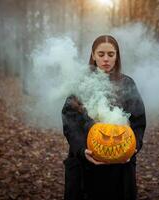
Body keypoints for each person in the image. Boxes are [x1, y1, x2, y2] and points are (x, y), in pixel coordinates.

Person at [62, 35, 146, 200]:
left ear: (117, 56)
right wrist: (81, 150)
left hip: (120, 168)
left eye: (111, 54)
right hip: (85, 165)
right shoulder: (81, 83)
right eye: (101, 54)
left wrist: (133, 148)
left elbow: (138, 121)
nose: (106, 59)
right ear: (93, 55)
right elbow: (70, 121)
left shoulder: (127, 84)